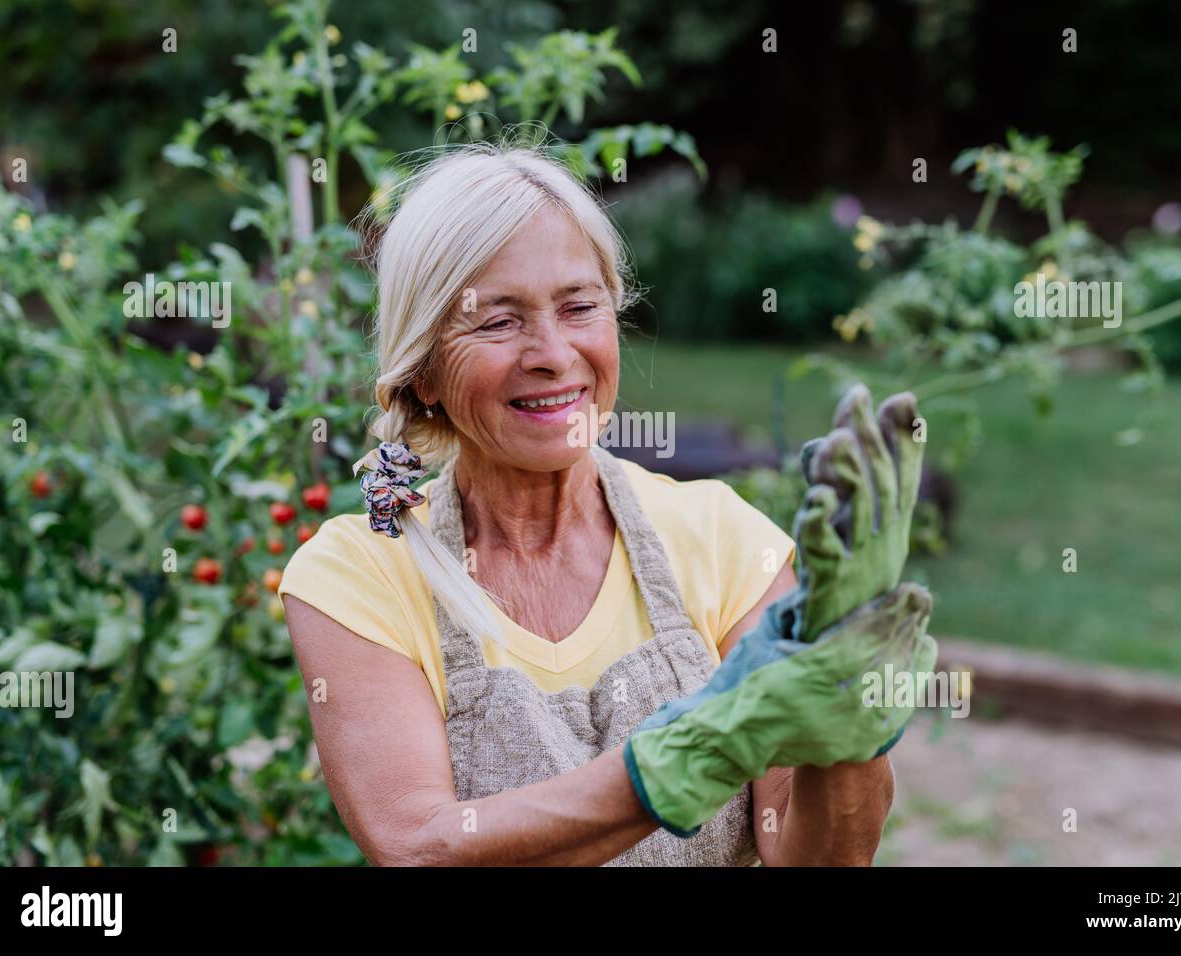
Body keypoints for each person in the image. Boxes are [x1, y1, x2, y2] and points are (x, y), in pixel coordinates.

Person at [279, 141, 931, 866]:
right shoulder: (360, 573)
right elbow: (421, 845)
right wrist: (681, 760)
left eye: (579, 305)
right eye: (497, 321)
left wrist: (848, 723)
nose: (553, 353)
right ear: (423, 371)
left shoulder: (720, 538)